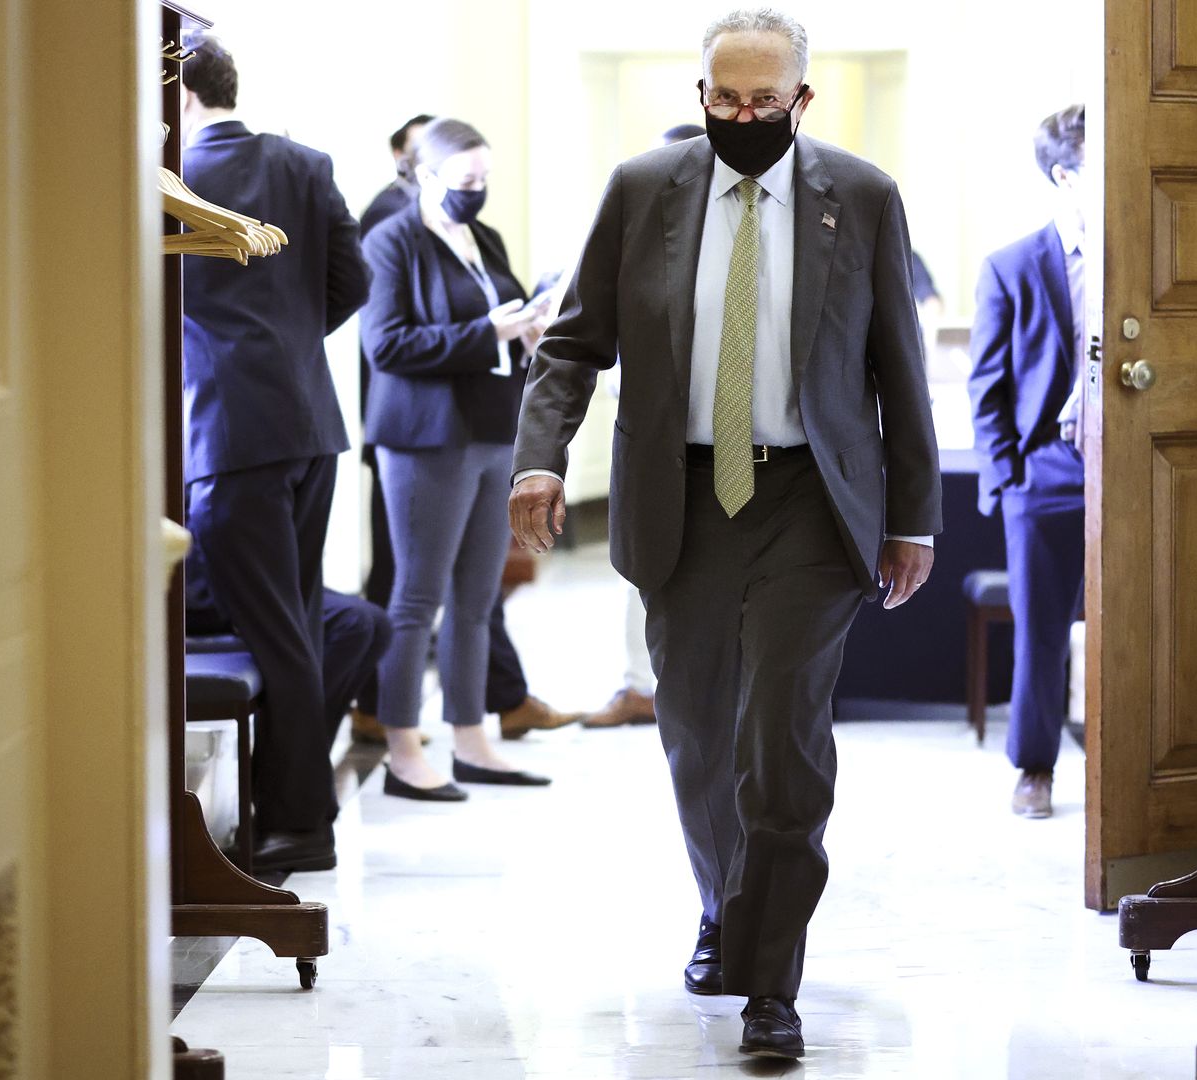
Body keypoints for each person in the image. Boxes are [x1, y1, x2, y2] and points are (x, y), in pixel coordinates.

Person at [510, 9, 941, 1060]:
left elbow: (899, 366)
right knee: (698, 734)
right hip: (685, 499)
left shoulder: (865, 199)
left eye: (763, 101)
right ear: (699, 92)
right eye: (723, 99)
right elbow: (573, 342)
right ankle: (725, 904)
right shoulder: (643, 189)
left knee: (781, 739)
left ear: (803, 98)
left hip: (809, 499)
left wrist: (915, 519)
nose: (741, 117)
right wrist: (540, 453)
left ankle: (769, 980)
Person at [178, 36, 371, 873]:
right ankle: (293, 811)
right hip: (307, 423)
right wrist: (287, 341)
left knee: (278, 633)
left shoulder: (171, 177)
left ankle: (301, 822)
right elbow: (350, 284)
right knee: (292, 621)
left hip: (227, 430)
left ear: (177, 97)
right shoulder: (305, 161)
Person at [355, 116, 584, 750]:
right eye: (465, 179)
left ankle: (470, 739)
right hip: (425, 439)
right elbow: (387, 345)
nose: (477, 189)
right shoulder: (390, 241)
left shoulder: (482, 236)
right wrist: (492, 333)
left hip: (490, 430)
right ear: (425, 175)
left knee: (478, 600)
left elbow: (502, 318)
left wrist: (531, 327)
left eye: (485, 178)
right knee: (416, 598)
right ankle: (401, 746)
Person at [966, 104, 1090, 820]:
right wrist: (1008, 477)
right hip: (1043, 470)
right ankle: (1035, 768)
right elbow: (988, 383)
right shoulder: (1011, 265)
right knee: (1041, 627)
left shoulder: (1135, 255)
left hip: (1129, 463)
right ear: (1065, 174)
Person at [582, 120, 709, 732]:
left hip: (742, 447)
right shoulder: (632, 232)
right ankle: (639, 686)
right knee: (643, 572)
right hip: (653, 443)